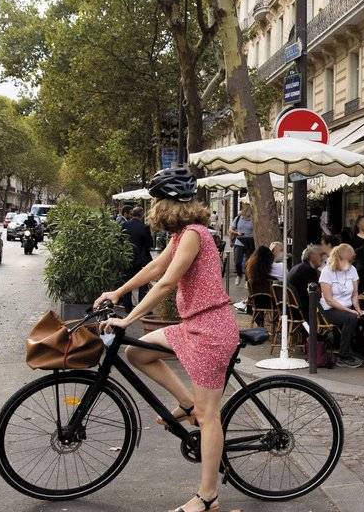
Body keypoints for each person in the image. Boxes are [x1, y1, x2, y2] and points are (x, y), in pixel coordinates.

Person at [93, 166, 238, 512]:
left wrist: (128, 317)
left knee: (209, 416)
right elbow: (155, 270)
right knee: (138, 354)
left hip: (211, 330)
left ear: (167, 203)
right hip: (193, 325)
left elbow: (167, 283)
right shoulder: (182, 234)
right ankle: (186, 403)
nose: (154, 209)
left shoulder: (194, 234)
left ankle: (208, 497)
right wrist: (119, 290)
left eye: (156, 201)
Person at [319, 243, 364, 366]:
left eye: (351, 261)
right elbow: (329, 299)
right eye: (348, 261)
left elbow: (354, 294)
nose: (350, 264)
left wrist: (358, 310)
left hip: (348, 306)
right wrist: (350, 311)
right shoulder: (327, 271)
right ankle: (343, 354)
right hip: (330, 309)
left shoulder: (352, 270)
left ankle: (359, 347)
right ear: (338, 259)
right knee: (350, 318)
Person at [121, 207, 154, 312]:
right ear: (142, 215)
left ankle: (127, 307)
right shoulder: (144, 227)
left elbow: (120, 240)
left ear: (132, 214)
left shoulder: (124, 225)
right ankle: (142, 308)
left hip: (127, 258)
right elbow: (149, 244)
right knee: (142, 284)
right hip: (141, 259)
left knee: (127, 282)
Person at [229, 205, 254, 286]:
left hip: (250, 242)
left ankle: (247, 280)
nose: (245, 213)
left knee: (248, 263)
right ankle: (239, 275)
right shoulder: (238, 218)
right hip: (239, 241)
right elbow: (230, 229)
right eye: (244, 211)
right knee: (237, 261)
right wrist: (237, 233)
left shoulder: (253, 220)